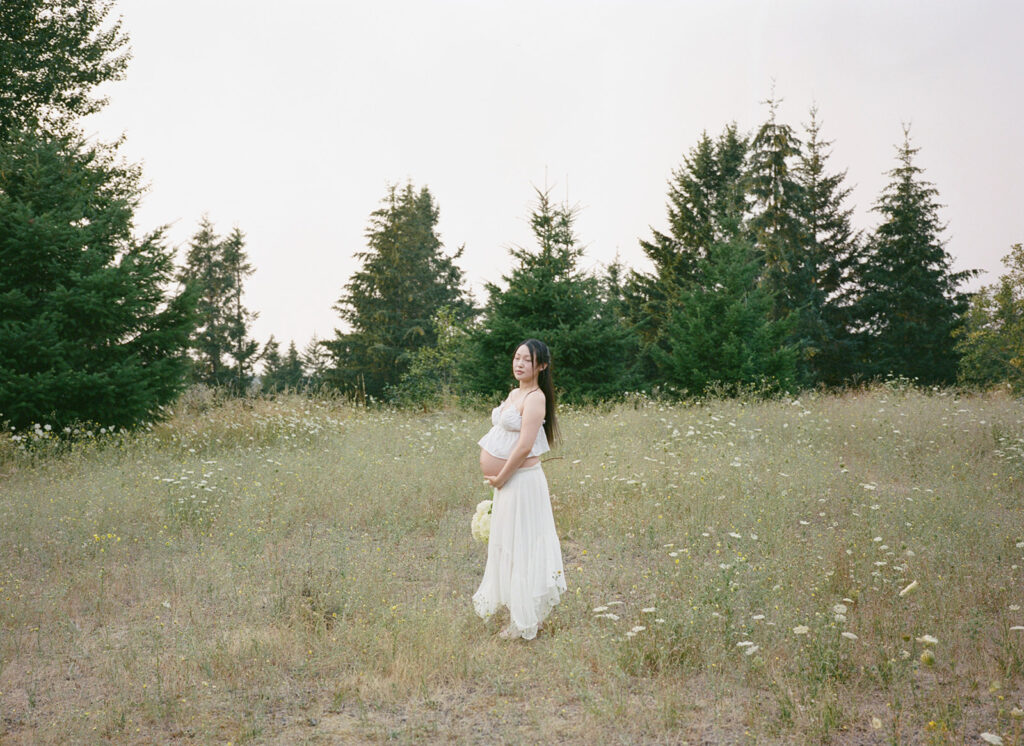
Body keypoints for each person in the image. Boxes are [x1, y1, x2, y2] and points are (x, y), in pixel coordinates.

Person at [473, 339, 566, 640]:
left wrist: (501, 477)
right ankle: (518, 613)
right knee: (509, 546)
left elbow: (525, 445)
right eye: (516, 357)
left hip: (521, 483)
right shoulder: (515, 393)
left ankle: (525, 621)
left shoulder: (536, 398)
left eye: (527, 359)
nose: (520, 363)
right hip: (507, 484)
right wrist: (499, 479)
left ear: (541, 366)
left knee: (523, 546)